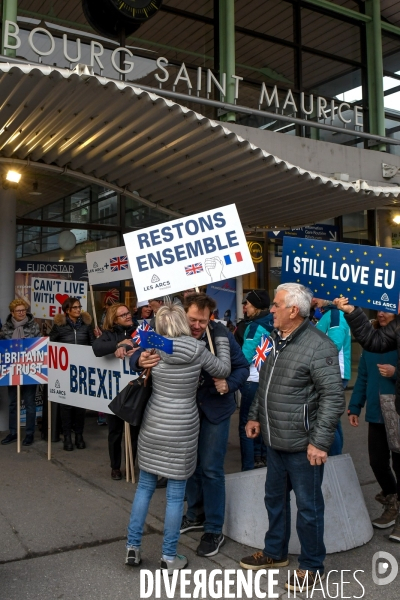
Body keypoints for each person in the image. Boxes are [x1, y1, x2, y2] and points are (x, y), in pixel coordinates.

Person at [240, 283, 345, 593]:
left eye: (276, 305)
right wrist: (255, 415)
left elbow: (332, 398)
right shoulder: (277, 339)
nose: (271, 310)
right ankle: (275, 553)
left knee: (309, 508)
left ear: (293, 311)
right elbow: (266, 384)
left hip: (303, 446)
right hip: (275, 441)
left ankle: (312, 567)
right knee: (274, 499)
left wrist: (320, 442)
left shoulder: (319, 346)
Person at [133, 292, 249, 557]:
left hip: (213, 411)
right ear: (184, 315)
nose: (197, 326)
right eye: (193, 319)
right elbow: (137, 350)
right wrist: (138, 360)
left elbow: (242, 366)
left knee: (210, 469)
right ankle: (194, 514)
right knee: (186, 469)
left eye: (203, 321)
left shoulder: (220, 334)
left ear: (211, 319)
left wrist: (229, 383)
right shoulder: (165, 328)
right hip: (181, 415)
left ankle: (213, 528)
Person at [335, 296, 400, 542]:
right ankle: (392, 501)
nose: (381, 314)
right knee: (377, 462)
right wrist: (354, 406)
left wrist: (396, 373)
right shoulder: (374, 341)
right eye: (379, 309)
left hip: (396, 410)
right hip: (376, 410)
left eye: (388, 309)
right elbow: (362, 377)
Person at [93, 303, 139, 480]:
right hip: (115, 391)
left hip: (135, 391)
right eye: (123, 315)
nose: (128, 316)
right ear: (114, 319)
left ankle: (130, 464)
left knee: (134, 432)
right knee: (115, 431)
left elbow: (141, 344)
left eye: (129, 313)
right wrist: (118, 344)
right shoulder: (108, 335)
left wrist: (128, 347)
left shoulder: (139, 330)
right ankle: (115, 466)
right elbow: (97, 348)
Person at [49, 297, 95, 451]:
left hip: (82, 372)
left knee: (80, 406)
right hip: (64, 372)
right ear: (67, 310)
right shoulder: (59, 326)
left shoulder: (87, 326)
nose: (78, 310)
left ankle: (79, 436)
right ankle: (67, 437)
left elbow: (93, 345)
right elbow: (51, 346)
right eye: (74, 307)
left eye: (79, 307)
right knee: (66, 406)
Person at [237, 290, 273, 470]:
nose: (245, 308)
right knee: (264, 421)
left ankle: (248, 467)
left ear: (256, 307)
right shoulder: (275, 322)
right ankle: (262, 457)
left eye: (248, 304)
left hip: (253, 380)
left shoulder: (254, 326)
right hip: (270, 379)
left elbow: (245, 356)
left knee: (247, 424)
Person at [0, 299, 40, 446]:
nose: (22, 313)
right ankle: (13, 432)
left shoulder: (33, 326)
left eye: (24, 310)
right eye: (19, 311)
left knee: (29, 403)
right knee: (13, 403)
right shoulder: (5, 329)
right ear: (12, 313)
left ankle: (29, 434)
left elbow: (38, 346)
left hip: (29, 369)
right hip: (12, 370)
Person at [314, 298, 351, 456]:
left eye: (317, 295)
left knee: (327, 421)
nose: (314, 299)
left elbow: (334, 345)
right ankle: (337, 458)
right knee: (332, 420)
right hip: (332, 372)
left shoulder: (335, 315)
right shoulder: (330, 315)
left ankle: (335, 459)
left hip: (333, 373)